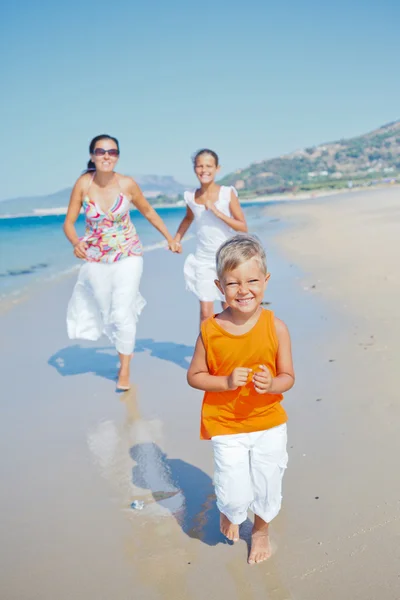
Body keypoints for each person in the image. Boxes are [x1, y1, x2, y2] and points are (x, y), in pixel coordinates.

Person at [187, 234, 295, 564]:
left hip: (267, 422)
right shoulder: (210, 329)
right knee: (233, 493)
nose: (243, 289)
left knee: (267, 485)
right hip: (226, 424)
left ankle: (260, 531)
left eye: (252, 280)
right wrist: (225, 381)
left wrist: (272, 384)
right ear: (220, 287)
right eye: (233, 283)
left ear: (266, 281)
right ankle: (230, 512)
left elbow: (288, 377)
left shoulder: (276, 327)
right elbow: (194, 376)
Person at [64, 134, 180, 391]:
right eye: (101, 151)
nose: (107, 155)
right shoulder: (83, 184)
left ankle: (125, 369)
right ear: (93, 155)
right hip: (96, 259)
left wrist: (169, 238)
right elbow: (69, 223)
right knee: (108, 314)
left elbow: (149, 212)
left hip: (128, 254)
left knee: (121, 311)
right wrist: (76, 242)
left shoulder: (127, 184)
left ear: (117, 156)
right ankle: (124, 351)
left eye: (112, 152)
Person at [173, 149, 247, 324]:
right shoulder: (191, 196)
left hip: (227, 259)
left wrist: (217, 212)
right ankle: (207, 350)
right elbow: (188, 218)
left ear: (217, 169)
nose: (204, 170)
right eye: (199, 166)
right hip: (203, 259)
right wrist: (176, 239)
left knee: (229, 308)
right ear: (194, 169)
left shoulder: (227, 193)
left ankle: (234, 346)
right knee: (205, 312)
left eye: (208, 166)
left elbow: (243, 226)